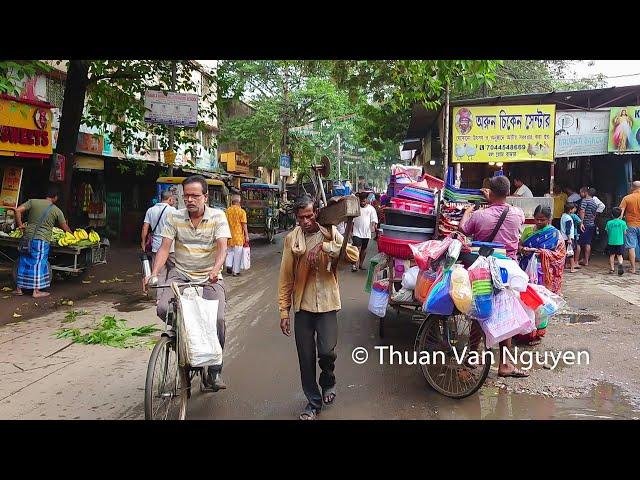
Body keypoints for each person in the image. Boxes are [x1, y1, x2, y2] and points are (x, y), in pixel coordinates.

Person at [145, 175, 231, 391]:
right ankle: (182, 338)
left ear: (205, 197)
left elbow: (222, 248)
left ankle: (214, 370)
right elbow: (164, 248)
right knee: (163, 307)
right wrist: (154, 274)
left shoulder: (218, 216)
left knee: (217, 318)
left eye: (195, 196)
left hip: (208, 276)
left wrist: (214, 270)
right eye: (186, 196)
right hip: (181, 274)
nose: (190, 200)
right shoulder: (174, 217)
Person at [278, 195, 356, 420]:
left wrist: (325, 246)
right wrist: (284, 311)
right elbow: (285, 277)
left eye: (309, 216)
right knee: (305, 357)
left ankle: (328, 380)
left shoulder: (329, 232)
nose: (306, 221)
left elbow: (352, 255)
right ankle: (313, 403)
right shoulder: (292, 240)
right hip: (302, 306)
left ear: (316, 213)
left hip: (328, 304)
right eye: (301, 217)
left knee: (327, 352)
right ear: (296, 217)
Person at [459, 176, 528, 377]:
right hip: (508, 271)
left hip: (483, 269)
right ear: (508, 192)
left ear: (490, 191)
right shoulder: (517, 213)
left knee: (478, 310)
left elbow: (464, 229)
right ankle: (504, 364)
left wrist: (467, 213)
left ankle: (472, 356)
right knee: (505, 314)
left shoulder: (480, 216)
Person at [11, 185, 73, 298]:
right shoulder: (56, 210)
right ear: (55, 197)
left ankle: (19, 289)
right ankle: (36, 291)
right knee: (38, 263)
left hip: (27, 238)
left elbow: (17, 210)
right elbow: (65, 228)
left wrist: (20, 225)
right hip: (41, 240)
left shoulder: (33, 202)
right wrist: (72, 235)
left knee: (24, 261)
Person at [516, 206, 565, 345]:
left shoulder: (555, 234)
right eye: (537, 219)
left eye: (542, 220)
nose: (538, 222)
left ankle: (537, 333)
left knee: (540, 303)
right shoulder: (527, 231)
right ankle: (522, 332)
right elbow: (518, 246)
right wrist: (523, 250)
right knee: (524, 301)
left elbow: (561, 255)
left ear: (549, 219)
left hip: (543, 273)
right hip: (525, 269)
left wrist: (543, 253)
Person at [141, 190, 177, 286]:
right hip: (171, 247)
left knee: (159, 274)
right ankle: (172, 293)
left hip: (156, 246)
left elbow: (145, 228)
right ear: (169, 199)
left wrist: (143, 243)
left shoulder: (150, 210)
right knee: (175, 270)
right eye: (173, 199)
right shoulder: (173, 210)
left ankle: (159, 299)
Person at [351, 192, 379, 272]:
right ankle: (354, 265)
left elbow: (374, 220)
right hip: (356, 232)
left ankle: (360, 264)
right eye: (361, 201)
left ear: (367, 200)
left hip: (366, 233)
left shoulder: (371, 209)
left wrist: (373, 226)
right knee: (357, 248)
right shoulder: (355, 208)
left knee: (364, 249)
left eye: (364, 201)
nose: (362, 203)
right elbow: (351, 221)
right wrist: (350, 231)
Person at [224, 194, 249, 277]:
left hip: (229, 236)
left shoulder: (227, 211)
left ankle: (229, 267)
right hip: (238, 237)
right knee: (237, 254)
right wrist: (246, 235)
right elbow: (244, 224)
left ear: (232, 201)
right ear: (239, 202)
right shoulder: (242, 212)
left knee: (229, 252)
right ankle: (235, 271)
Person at [619, 181, 640, 274]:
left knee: (631, 247)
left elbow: (620, 213)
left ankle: (633, 268)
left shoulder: (627, 198)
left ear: (632, 187)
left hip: (631, 225)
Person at [575, 187, 598, 267]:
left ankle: (576, 261)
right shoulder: (594, 202)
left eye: (581, 192)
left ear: (585, 193)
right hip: (591, 224)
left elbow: (582, 211)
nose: (580, 194)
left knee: (578, 243)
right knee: (588, 243)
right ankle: (586, 261)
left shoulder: (585, 201)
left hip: (584, 225)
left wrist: (581, 223)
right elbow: (595, 214)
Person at [605, 207, 627, 276]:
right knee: (620, 255)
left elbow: (607, 232)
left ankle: (612, 269)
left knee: (612, 255)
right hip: (620, 242)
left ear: (612, 214)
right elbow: (625, 232)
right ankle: (620, 264)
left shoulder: (609, 223)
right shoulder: (623, 223)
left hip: (611, 242)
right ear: (620, 214)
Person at [560, 203, 577, 273]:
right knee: (570, 253)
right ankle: (572, 268)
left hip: (563, 237)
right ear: (570, 210)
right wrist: (569, 239)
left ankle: (565, 265)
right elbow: (568, 229)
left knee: (565, 252)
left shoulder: (563, 216)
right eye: (574, 208)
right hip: (568, 238)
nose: (575, 210)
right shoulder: (568, 218)